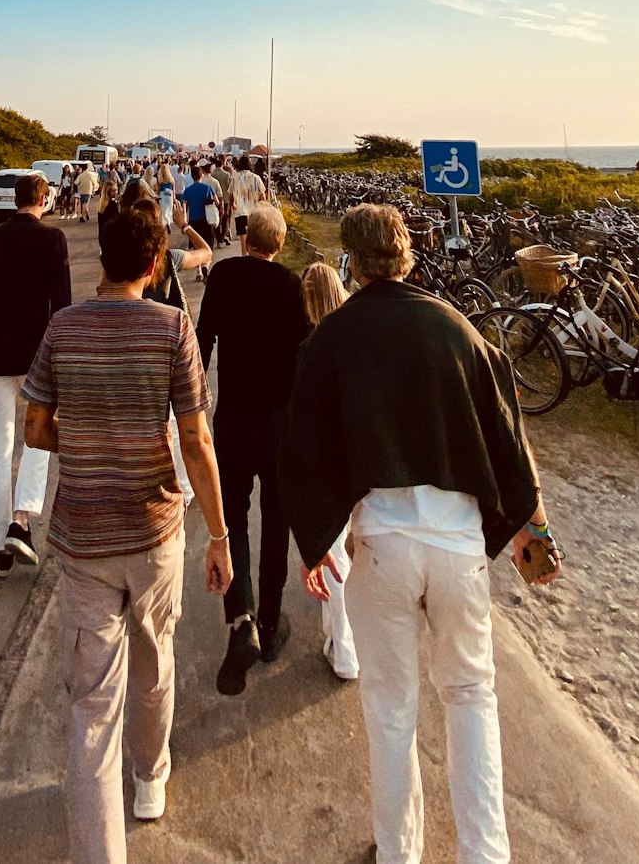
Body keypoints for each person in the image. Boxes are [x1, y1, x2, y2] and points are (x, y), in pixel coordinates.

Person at [282, 203, 562, 864]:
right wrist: (536, 536)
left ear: (352, 258)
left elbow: (302, 449)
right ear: (406, 255)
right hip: (460, 546)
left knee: (390, 709)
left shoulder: (333, 337)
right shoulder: (457, 328)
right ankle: (485, 855)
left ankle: (399, 853)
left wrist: (316, 539)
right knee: (470, 697)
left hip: (381, 547)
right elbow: (510, 440)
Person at [22, 208, 232, 864]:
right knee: (154, 656)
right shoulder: (172, 327)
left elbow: (34, 427)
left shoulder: (63, 327)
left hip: (83, 536)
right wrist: (221, 534)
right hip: (153, 529)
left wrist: (81, 440)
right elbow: (196, 438)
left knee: (91, 700)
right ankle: (149, 778)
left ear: (101, 259)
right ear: (153, 264)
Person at [196, 203, 310, 695]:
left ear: (246, 240)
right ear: (278, 244)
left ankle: (240, 618)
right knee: (277, 518)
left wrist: (190, 403)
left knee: (233, 518)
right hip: (279, 423)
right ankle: (269, 619)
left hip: (234, 419)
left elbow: (202, 343)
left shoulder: (222, 276)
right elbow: (305, 353)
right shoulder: (291, 285)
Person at [0, 171, 70, 575]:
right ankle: (21, 519)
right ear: (43, 199)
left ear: (15, 200)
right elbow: (60, 304)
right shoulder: (52, 239)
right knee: (38, 439)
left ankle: (0, 547)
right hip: (37, 357)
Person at [299, 261, 358, 682]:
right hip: (361, 461)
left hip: (327, 465)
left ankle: (346, 652)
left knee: (334, 559)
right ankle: (340, 638)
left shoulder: (309, 346)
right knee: (352, 554)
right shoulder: (357, 334)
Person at [229, 154, 266, 252]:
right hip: (254, 212)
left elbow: (231, 195)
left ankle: (244, 257)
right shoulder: (256, 178)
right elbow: (263, 197)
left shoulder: (235, 178)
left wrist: (232, 205)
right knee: (254, 237)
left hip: (240, 211)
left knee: (243, 237)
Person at [181, 163, 217, 247]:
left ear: (192, 177)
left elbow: (185, 207)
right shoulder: (208, 188)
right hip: (206, 220)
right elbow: (217, 202)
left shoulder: (187, 190)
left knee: (196, 246)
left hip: (193, 220)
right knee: (208, 245)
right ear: (201, 175)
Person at [97, 172, 120, 249]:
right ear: (108, 192)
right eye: (113, 191)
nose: (115, 192)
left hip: (102, 236)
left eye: (116, 190)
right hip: (111, 236)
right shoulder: (112, 205)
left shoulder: (101, 204)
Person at [155, 161, 177, 231]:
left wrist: (156, 197)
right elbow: (174, 190)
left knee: (163, 211)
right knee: (169, 210)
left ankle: (165, 223)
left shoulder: (160, 180)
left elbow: (158, 190)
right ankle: (169, 222)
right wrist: (174, 198)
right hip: (169, 195)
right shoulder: (171, 179)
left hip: (162, 195)